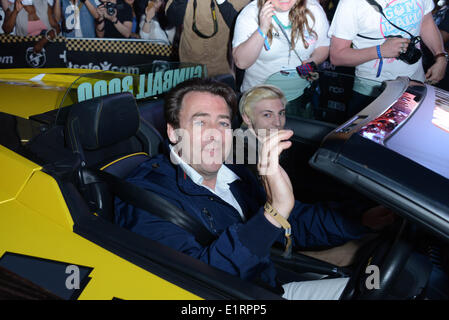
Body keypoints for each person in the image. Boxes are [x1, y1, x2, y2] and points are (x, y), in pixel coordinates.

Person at [115, 78, 395, 299]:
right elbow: (196, 283)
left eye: (223, 122)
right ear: (173, 132)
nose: (215, 133)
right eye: (200, 122)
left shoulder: (233, 174)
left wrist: (360, 219)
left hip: (268, 287)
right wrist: (271, 216)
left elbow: (295, 220)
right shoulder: (145, 197)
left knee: (385, 288)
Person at [328, 0, 448, 116]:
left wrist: (440, 55)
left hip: (417, 86)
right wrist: (380, 51)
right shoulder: (351, 3)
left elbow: (426, 22)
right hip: (373, 91)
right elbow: (337, 56)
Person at [232, 0, 330, 104]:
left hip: (299, 97)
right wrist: (262, 29)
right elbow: (241, 62)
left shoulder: (313, 9)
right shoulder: (251, 12)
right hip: (258, 99)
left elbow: (323, 47)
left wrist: (312, 62)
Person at [165, 0, 250, 77]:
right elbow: (173, 20)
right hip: (189, 64)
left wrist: (222, 2)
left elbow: (241, 28)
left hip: (222, 66)